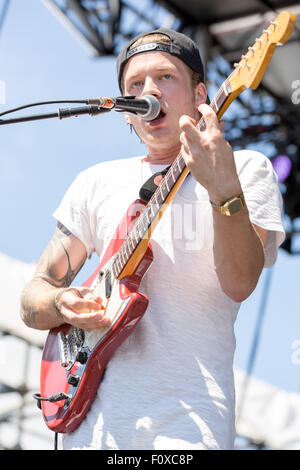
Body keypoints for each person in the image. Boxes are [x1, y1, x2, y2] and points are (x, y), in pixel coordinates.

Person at [20, 28, 285, 450]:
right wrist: (59, 303)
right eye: (135, 85)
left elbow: (240, 282)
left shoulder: (245, 169)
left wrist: (223, 191)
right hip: (91, 429)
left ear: (201, 95)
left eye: (165, 77)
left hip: (188, 425)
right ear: (127, 110)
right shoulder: (96, 182)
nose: (149, 90)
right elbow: (33, 299)